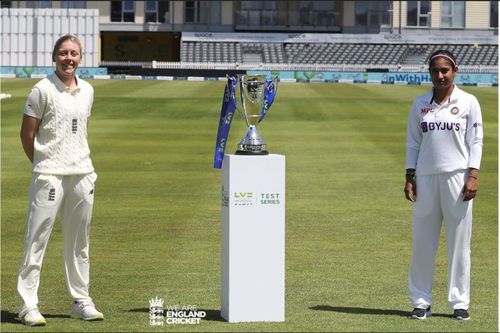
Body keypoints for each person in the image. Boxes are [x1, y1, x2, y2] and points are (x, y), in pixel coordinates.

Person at [17, 34, 104, 326]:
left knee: (80, 242)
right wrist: (43, 163)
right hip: (49, 175)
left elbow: (80, 132)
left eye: (74, 53)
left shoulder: (88, 90)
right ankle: (29, 305)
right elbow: (27, 135)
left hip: (82, 173)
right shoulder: (41, 90)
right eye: (64, 53)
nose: (69, 58)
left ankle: (81, 300)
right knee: (36, 239)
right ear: (55, 57)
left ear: (81, 58)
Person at [404, 50, 483, 321]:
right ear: (430, 72)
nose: (440, 75)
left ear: (455, 71)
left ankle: (459, 302)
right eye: (435, 71)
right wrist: (409, 176)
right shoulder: (419, 104)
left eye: (445, 71)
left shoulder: (469, 102)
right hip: (425, 178)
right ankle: (421, 300)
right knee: (423, 243)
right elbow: (413, 142)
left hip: (458, 178)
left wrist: (473, 175)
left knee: (459, 243)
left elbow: (476, 141)